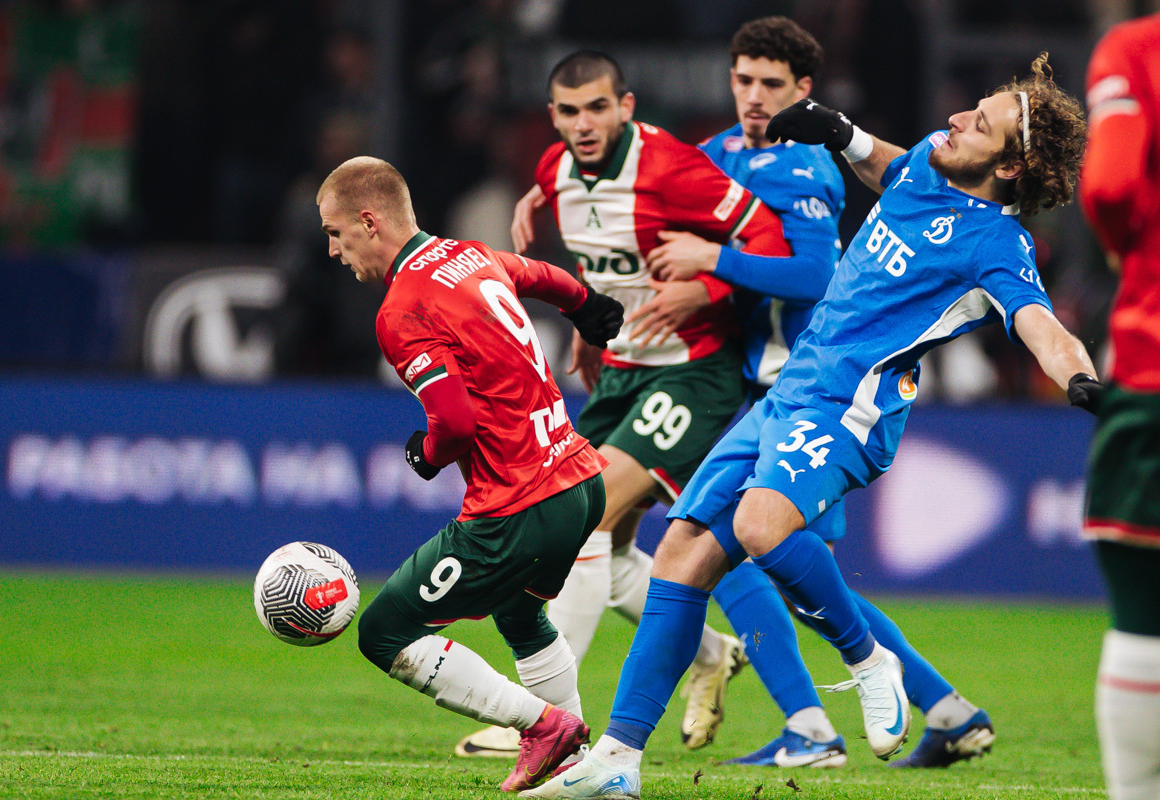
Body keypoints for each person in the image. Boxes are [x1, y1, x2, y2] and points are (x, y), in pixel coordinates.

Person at [523, 53, 1101, 799]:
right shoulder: (935, 157)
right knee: (682, 554)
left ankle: (868, 665)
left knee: (764, 529)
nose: (956, 119)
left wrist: (1081, 378)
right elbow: (895, 168)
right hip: (789, 387)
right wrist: (844, 133)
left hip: (849, 407)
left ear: (1013, 166)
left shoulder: (997, 244)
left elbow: (1039, 324)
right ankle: (616, 762)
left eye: (979, 122)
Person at [634, 15, 994, 769]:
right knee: (783, 570)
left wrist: (715, 262)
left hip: (817, 398)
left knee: (751, 562)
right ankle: (945, 710)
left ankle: (814, 726)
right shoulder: (718, 155)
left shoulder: (806, 167)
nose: (754, 96)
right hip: (758, 390)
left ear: (803, 90)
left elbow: (814, 278)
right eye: (743, 80)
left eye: (772, 83)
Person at [454, 49, 796, 761]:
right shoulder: (552, 171)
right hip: (622, 371)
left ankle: (549, 719)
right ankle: (709, 655)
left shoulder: (669, 167)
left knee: (584, 514)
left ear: (627, 106)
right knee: (607, 556)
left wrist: (711, 288)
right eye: (570, 112)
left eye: (598, 108)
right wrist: (589, 328)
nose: (585, 124)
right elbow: (596, 257)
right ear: (553, 117)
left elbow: (765, 232)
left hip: (694, 374)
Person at [316, 156, 627, 792]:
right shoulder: (470, 255)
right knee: (520, 616)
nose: (331, 249)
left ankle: (543, 727)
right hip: (579, 480)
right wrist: (588, 306)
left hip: (518, 506)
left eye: (335, 232)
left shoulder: (402, 310)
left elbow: (453, 424)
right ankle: (583, 772)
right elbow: (537, 272)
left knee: (382, 632)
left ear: (369, 223)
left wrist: (422, 456)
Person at [1079, 14, 1160, 800]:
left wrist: (1122, 243)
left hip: (1154, 360)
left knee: (1142, 612)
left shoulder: (1136, 50)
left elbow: (1107, 182)